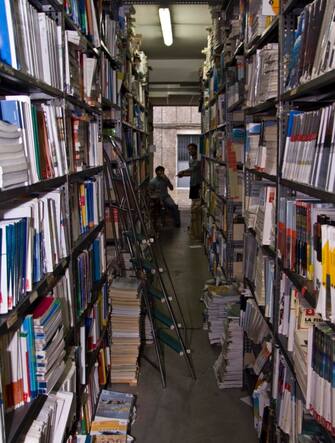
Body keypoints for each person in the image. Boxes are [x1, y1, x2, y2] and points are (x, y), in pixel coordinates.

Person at [177, 143, 202, 240]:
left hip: (197, 185)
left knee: (196, 205)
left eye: (192, 149)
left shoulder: (199, 159)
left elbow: (193, 168)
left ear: (196, 149)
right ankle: (193, 226)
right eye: (189, 149)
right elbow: (192, 173)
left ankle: (196, 228)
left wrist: (182, 171)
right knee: (193, 204)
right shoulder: (191, 159)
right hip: (192, 184)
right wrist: (183, 175)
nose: (190, 151)